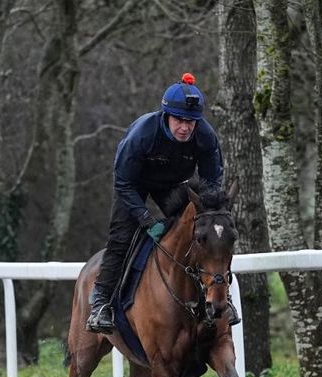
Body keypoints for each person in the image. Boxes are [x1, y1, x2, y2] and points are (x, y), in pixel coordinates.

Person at [86, 72, 240, 334]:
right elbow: (123, 183)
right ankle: (101, 301)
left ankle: (219, 299)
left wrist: (213, 215)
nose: (185, 127)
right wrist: (146, 219)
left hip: (172, 186)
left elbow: (212, 184)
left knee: (205, 234)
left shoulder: (205, 136)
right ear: (166, 116)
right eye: (179, 120)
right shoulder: (142, 135)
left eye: (191, 122)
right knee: (122, 237)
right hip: (133, 186)